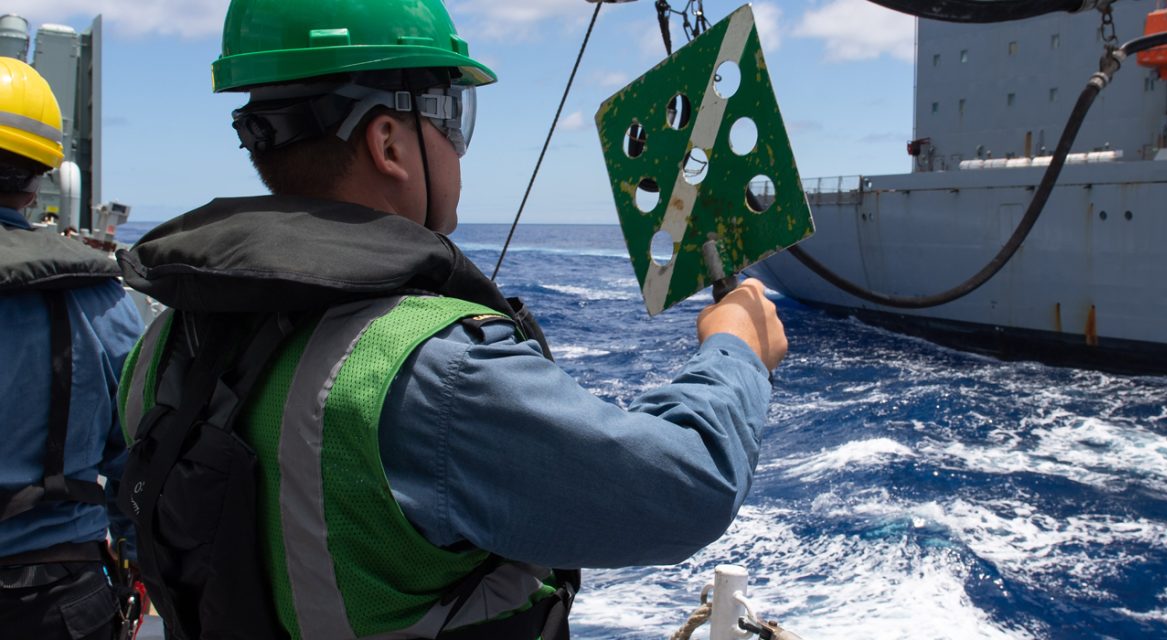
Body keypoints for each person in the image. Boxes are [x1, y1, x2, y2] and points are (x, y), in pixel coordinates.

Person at [115, 1, 787, 638]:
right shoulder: (432, 373)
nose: (459, 148)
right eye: (451, 117)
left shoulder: (160, 346)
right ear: (388, 143)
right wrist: (735, 347)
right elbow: (685, 487)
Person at [0, 57, 144, 639]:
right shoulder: (99, 299)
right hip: (59, 601)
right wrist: (138, 562)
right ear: (40, 177)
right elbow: (139, 455)